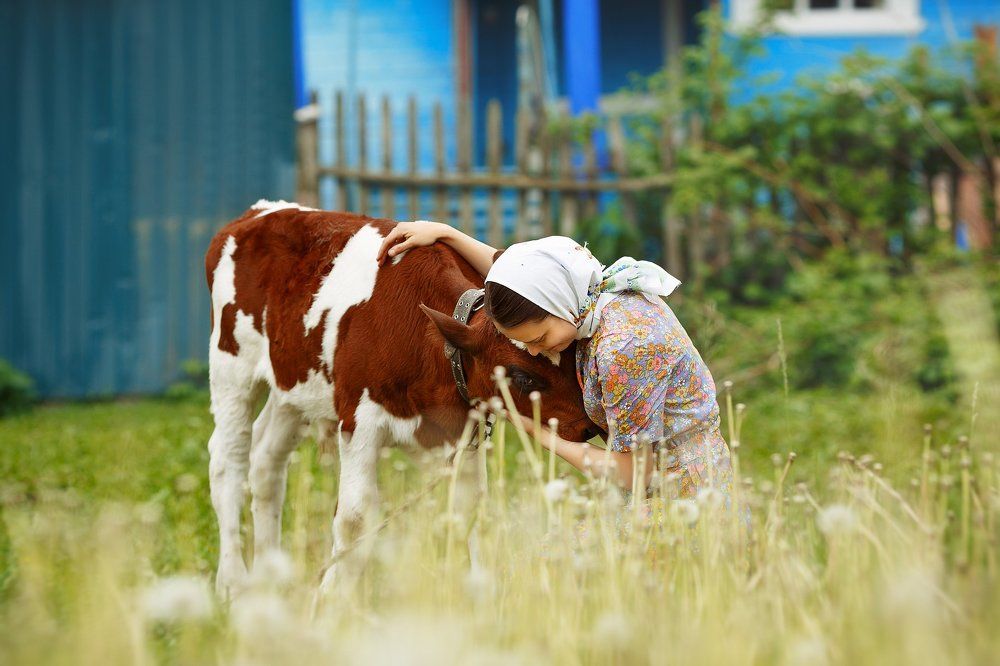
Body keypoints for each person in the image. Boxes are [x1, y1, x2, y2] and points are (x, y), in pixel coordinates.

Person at [376, 221, 744, 520]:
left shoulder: (623, 349)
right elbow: (521, 279)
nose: (535, 351)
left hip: (686, 501)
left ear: (558, 303)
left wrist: (536, 431)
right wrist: (445, 233)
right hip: (666, 490)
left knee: (545, 564)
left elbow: (633, 475)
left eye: (539, 338)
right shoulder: (593, 293)